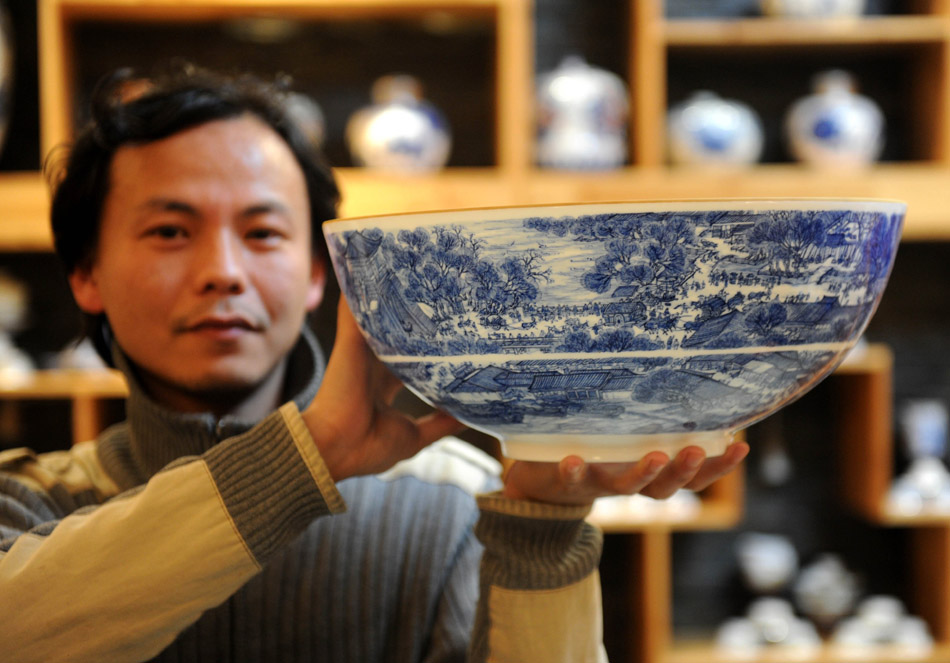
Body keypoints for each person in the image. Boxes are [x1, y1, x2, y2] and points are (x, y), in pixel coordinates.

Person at [0, 65, 748, 662]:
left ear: (319, 273)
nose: (223, 271)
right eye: (170, 230)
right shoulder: (30, 501)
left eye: (263, 233)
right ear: (85, 272)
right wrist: (307, 457)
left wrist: (544, 527)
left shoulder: (457, 505)